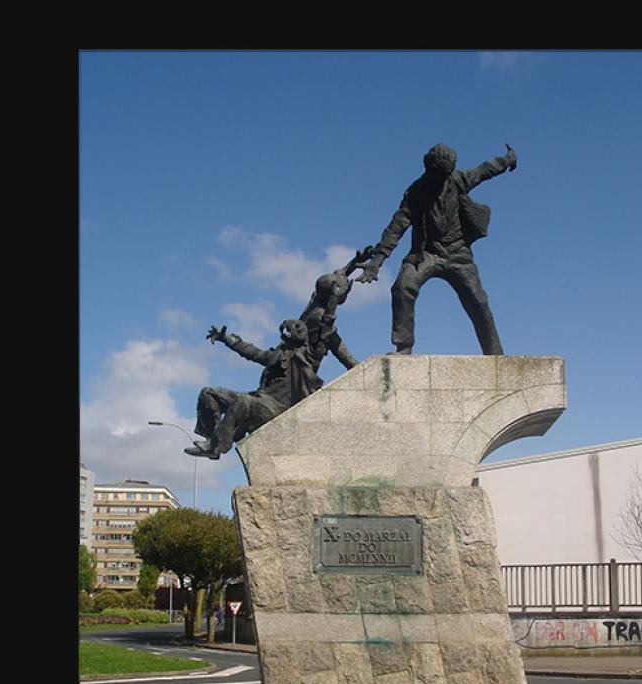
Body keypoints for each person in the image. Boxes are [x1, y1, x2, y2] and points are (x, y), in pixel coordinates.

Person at [357, 143, 517, 355]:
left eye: (446, 174)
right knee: (403, 286)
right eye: (438, 173)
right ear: (427, 165)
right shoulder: (415, 193)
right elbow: (396, 228)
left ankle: (495, 353)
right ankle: (404, 347)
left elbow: (485, 170)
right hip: (426, 253)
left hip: (458, 253)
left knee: (478, 301)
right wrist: (376, 263)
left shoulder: (458, 180)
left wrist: (507, 160)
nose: (442, 179)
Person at [186, 318, 320, 459]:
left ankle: (216, 444)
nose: (286, 334)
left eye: (290, 331)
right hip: (260, 401)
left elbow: (324, 324)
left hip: (277, 410)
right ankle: (212, 442)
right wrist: (226, 339)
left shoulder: (308, 356)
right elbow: (253, 353)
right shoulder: (279, 354)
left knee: (244, 401)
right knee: (208, 393)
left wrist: (329, 309)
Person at [299, 246, 373, 372]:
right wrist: (360, 370)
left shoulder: (318, 294)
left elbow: (341, 273)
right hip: (303, 368)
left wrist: (356, 261)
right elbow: (338, 348)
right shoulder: (318, 316)